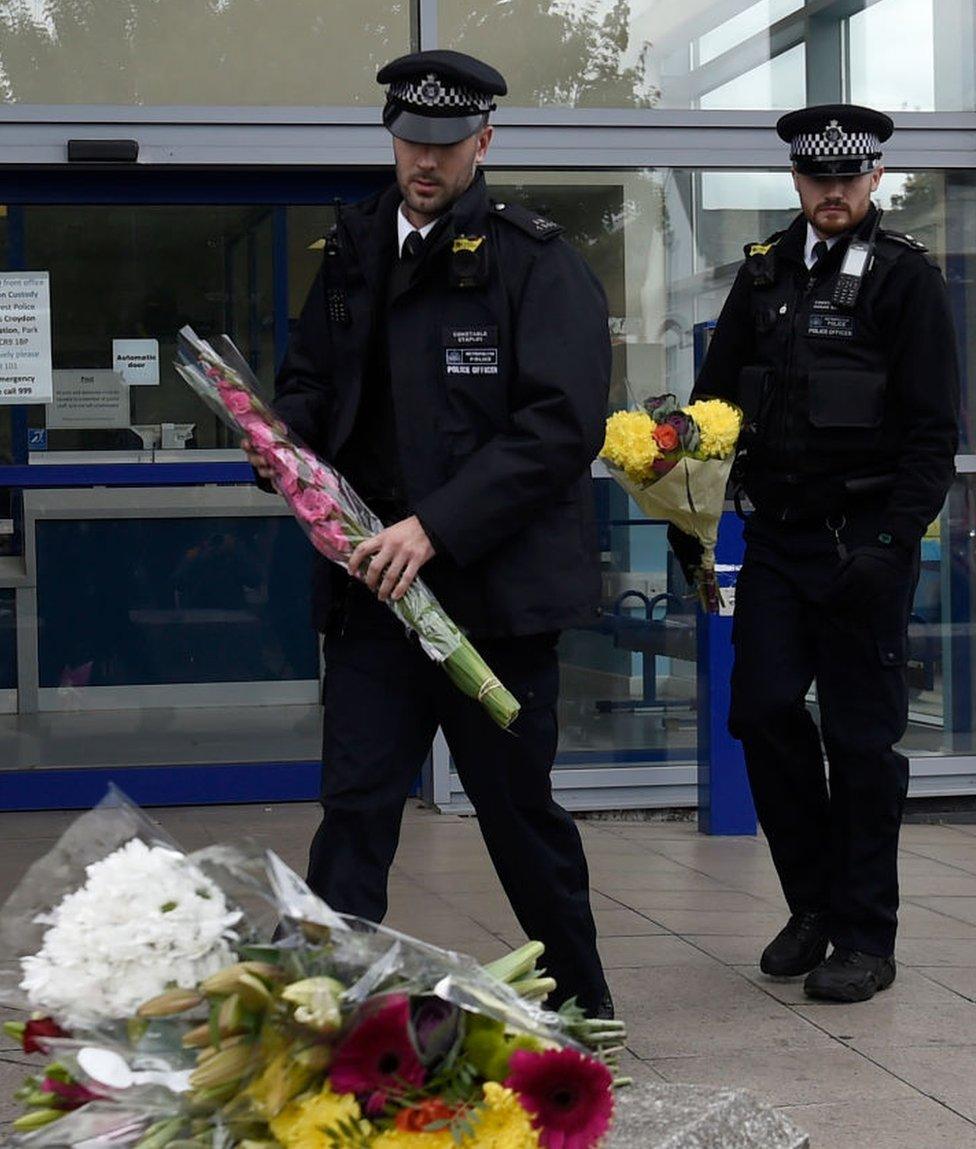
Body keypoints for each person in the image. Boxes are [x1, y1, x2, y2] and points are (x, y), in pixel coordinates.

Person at [245, 49, 613, 1017]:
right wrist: (280, 438)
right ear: (391, 136)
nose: (426, 159)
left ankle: (584, 1010)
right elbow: (312, 379)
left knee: (519, 821)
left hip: (491, 605)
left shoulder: (535, 262)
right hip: (376, 598)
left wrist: (434, 527)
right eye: (411, 138)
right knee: (354, 815)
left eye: (447, 144)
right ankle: (319, 1016)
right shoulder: (355, 249)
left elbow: (558, 427)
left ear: (483, 141)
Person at [669, 104, 959, 1002]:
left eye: (847, 178)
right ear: (796, 181)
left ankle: (867, 935)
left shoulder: (905, 278)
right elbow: (713, 407)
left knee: (861, 740)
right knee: (759, 712)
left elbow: (932, 432)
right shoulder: (760, 276)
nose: (832, 192)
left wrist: (889, 543)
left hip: (863, 545)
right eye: (815, 178)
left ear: (872, 179)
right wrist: (674, 463)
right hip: (779, 543)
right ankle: (815, 906)